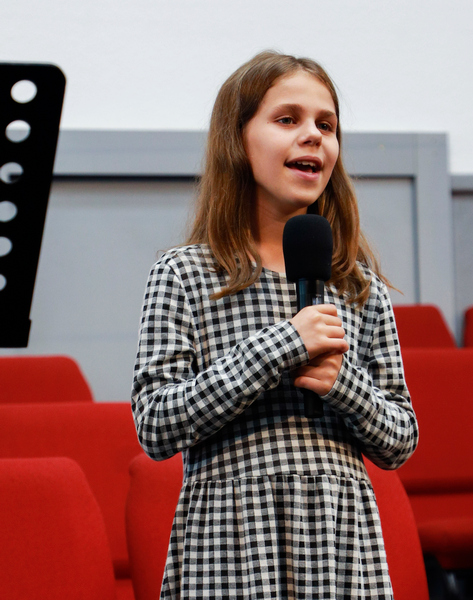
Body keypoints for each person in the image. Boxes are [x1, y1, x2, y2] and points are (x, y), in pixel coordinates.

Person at [131, 50, 418, 600]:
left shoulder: (358, 286)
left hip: (339, 541)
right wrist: (281, 346)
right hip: (231, 539)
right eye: (288, 119)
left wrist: (343, 385)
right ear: (237, 141)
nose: (312, 135)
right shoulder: (185, 274)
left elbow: (399, 439)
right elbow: (156, 424)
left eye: (326, 125)